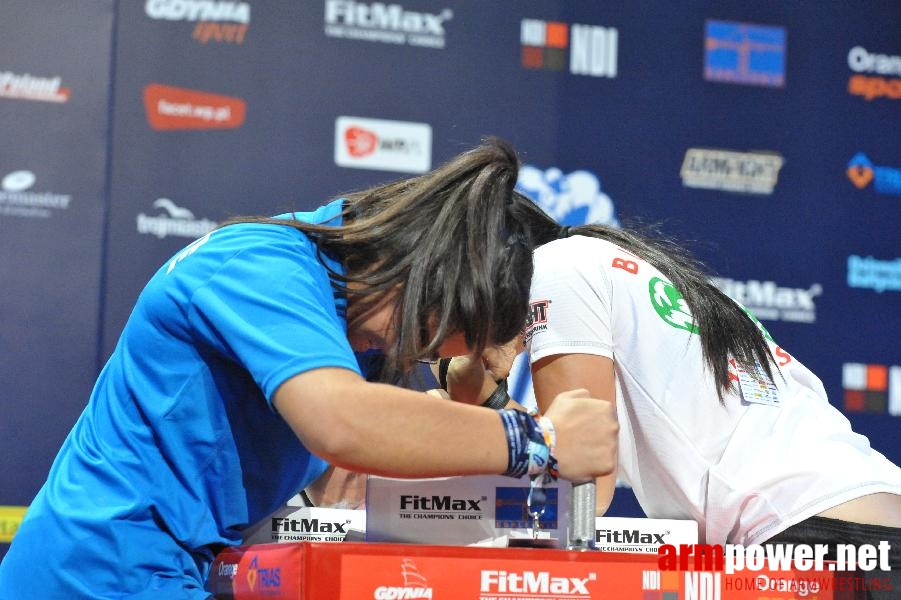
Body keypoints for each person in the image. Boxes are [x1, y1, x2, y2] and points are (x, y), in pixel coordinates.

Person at [0, 139, 618, 599]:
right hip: (94, 571)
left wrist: (478, 402)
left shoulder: (352, 332)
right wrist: (544, 439)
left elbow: (371, 476)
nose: (443, 355)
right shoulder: (262, 265)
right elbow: (342, 424)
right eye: (475, 332)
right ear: (455, 280)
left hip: (170, 571)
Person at [505, 192, 901, 595]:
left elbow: (584, 488)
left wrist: (485, 402)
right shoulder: (649, 273)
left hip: (810, 540)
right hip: (870, 521)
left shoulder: (554, 265)